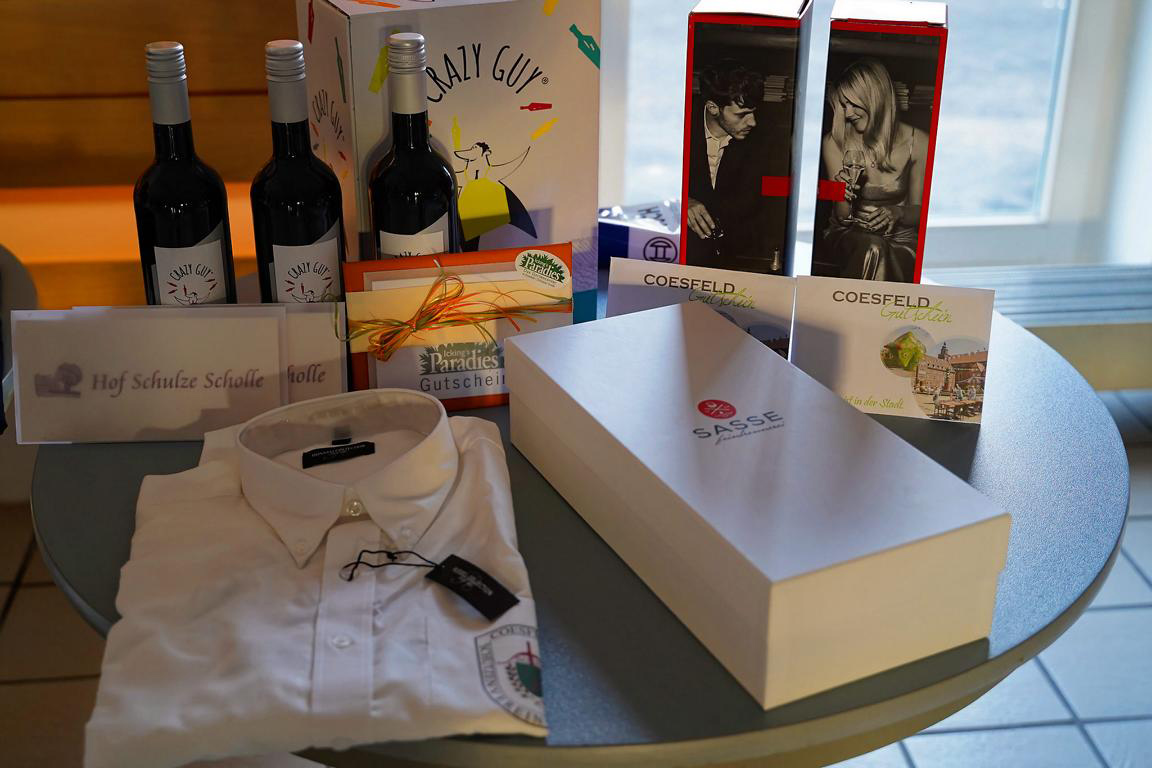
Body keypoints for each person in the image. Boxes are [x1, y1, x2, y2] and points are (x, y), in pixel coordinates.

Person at [816, 58, 928, 282]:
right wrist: (840, 193)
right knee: (873, 248)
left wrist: (897, 212)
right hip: (850, 234)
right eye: (843, 105)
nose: (848, 113)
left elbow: (920, 212)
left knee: (888, 252)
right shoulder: (834, 142)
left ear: (875, 98)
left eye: (853, 104)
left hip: (900, 237)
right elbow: (842, 217)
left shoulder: (919, 142)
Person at [684, 60, 783, 272]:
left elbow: (768, 208)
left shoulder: (765, 139)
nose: (752, 122)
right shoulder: (676, 126)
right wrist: (679, 201)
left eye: (754, 112)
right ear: (713, 108)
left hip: (736, 253)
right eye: (741, 114)